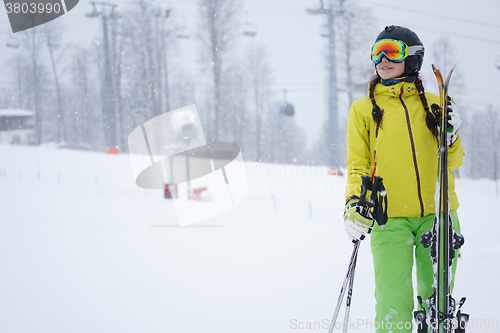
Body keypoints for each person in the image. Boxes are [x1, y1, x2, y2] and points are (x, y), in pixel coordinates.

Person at [343, 25, 463, 332]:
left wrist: (451, 137)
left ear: (412, 57)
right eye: (377, 52)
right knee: (392, 304)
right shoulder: (363, 109)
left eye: (392, 51)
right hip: (388, 218)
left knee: (434, 301)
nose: (382, 59)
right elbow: (358, 164)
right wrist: (353, 204)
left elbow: (454, 161)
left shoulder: (436, 103)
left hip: (438, 216)